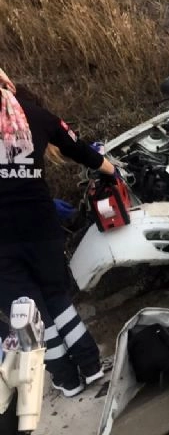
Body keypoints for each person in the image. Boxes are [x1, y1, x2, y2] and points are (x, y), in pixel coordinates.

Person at [0, 70, 117, 397]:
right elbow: (81, 150)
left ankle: (66, 380)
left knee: (28, 314)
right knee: (56, 296)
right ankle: (91, 366)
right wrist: (113, 172)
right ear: (8, 84)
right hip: (41, 225)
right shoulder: (37, 116)